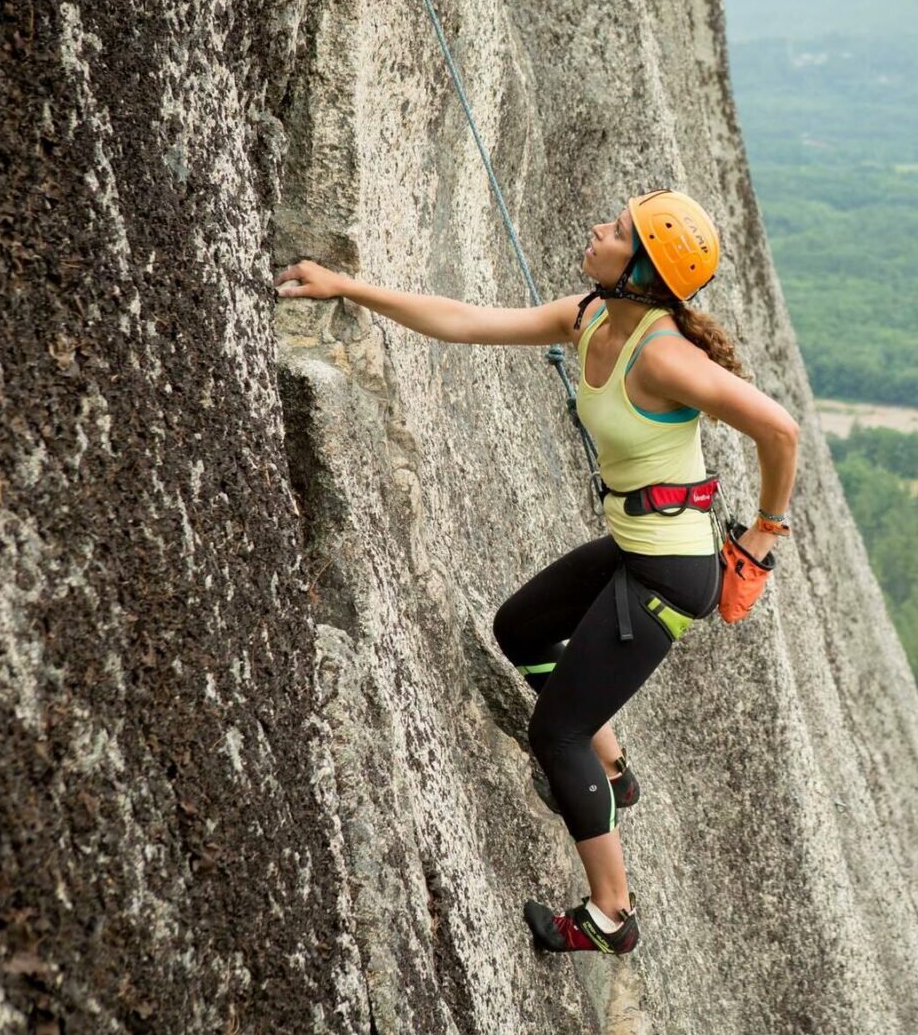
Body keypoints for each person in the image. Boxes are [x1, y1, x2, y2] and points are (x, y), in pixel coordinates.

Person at [275, 189, 799, 955]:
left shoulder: (664, 357)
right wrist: (348, 287)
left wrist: (762, 534)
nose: (597, 229)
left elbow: (779, 428)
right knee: (520, 630)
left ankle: (610, 916)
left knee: (558, 733)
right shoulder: (590, 316)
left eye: (617, 232)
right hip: (635, 549)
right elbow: (465, 321)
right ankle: (614, 777)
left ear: (644, 273)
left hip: (672, 575)